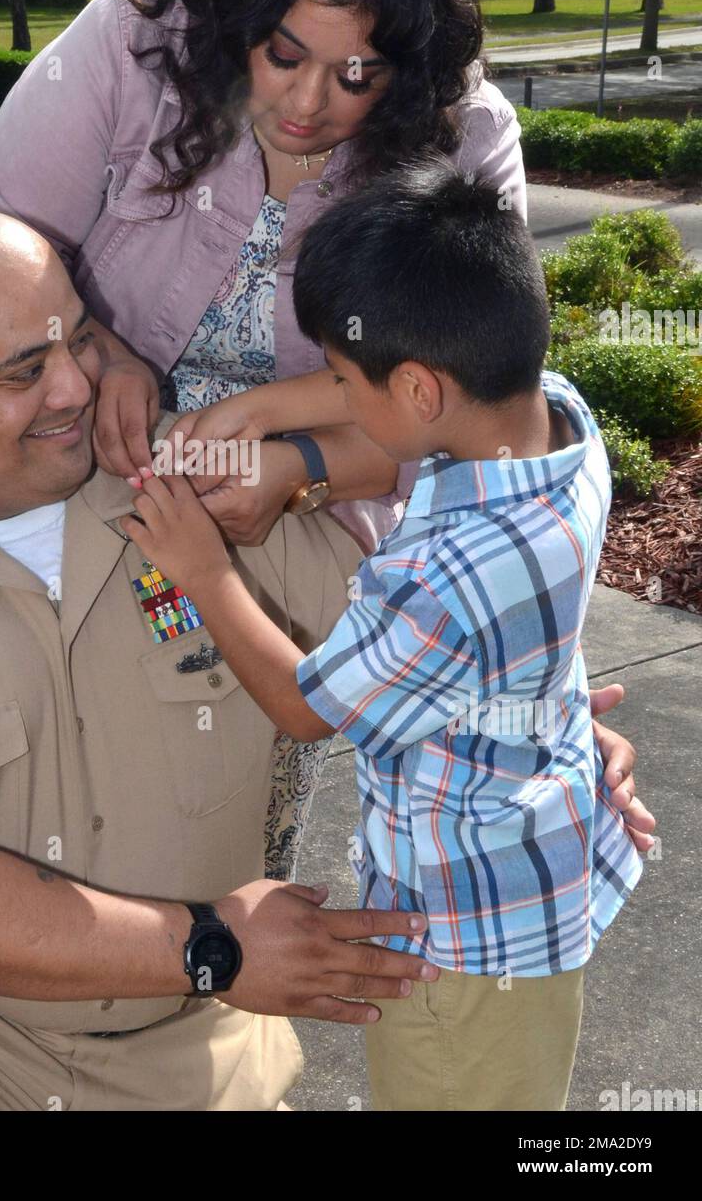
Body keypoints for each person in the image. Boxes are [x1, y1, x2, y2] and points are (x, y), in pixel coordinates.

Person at [0, 205, 439, 1113]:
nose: (75, 388)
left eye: (81, 339)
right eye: (24, 371)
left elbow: (411, 634)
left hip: (199, 1039)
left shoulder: (187, 477)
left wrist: (543, 731)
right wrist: (212, 945)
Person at [0, 0, 535, 881]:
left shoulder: (464, 137)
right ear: (241, 13)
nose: (307, 102)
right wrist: (98, 349)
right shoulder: (130, 42)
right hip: (75, 438)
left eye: (356, 73)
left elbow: (469, 411)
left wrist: (298, 466)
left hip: (316, 502)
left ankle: (205, 975)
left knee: (211, 789)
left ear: (408, 66)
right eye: (281, 54)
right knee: (31, 749)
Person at [119, 160, 648, 1112]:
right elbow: (397, 414)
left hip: (458, 956)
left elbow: (307, 704)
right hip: (534, 881)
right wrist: (263, 411)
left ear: (416, 388)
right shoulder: (562, 420)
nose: (332, 392)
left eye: (340, 377)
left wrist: (200, 567)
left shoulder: (441, 576)